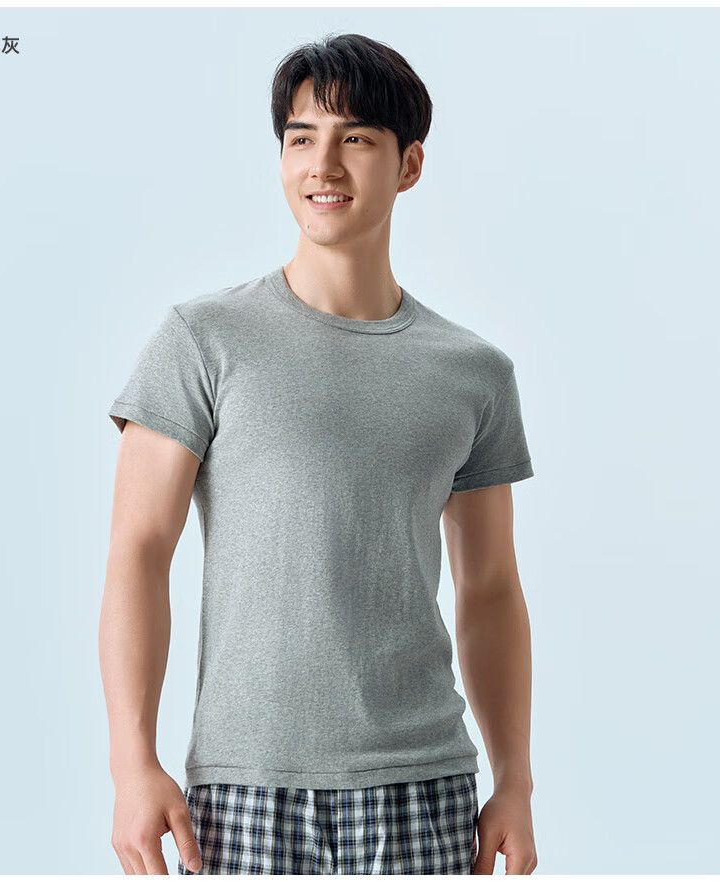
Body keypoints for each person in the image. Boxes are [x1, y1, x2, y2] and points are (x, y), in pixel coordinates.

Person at [100, 32, 538, 876]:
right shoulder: (202, 340)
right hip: (243, 790)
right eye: (301, 138)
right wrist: (131, 762)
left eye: (356, 138)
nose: (322, 165)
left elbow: (490, 588)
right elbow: (138, 552)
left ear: (409, 165)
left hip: (424, 788)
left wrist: (514, 779)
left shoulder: (474, 373)